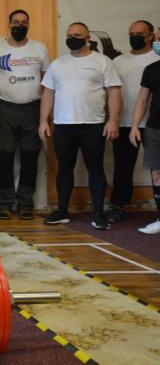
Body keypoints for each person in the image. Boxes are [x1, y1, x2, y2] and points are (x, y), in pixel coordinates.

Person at [40, 22, 122, 230]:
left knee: (95, 168)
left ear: (87, 38)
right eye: (69, 35)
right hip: (63, 125)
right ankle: (62, 211)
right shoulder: (58, 64)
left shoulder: (102, 61)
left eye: (77, 35)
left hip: (93, 125)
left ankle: (98, 214)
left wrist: (113, 120)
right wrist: (43, 120)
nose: (72, 38)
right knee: (64, 169)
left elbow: (114, 92)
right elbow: (48, 93)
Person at [0, 9, 49, 220]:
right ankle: (4, 203)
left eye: (24, 22)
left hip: (33, 109)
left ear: (28, 25)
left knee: (30, 157)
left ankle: (26, 203)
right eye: (16, 22)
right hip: (5, 109)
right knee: (5, 156)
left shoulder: (40, 48)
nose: (20, 26)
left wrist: (45, 115)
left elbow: (47, 83)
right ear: (9, 24)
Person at [109, 20, 159, 222]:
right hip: (125, 123)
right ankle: (118, 206)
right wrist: (111, 119)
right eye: (132, 34)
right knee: (122, 167)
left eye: (140, 34)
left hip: (154, 124)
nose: (135, 37)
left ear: (150, 36)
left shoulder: (157, 59)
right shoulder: (118, 61)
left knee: (157, 169)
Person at [128, 29, 160, 234]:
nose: (157, 42)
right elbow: (142, 99)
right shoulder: (151, 69)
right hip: (154, 129)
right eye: (157, 38)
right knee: (157, 175)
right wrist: (134, 126)